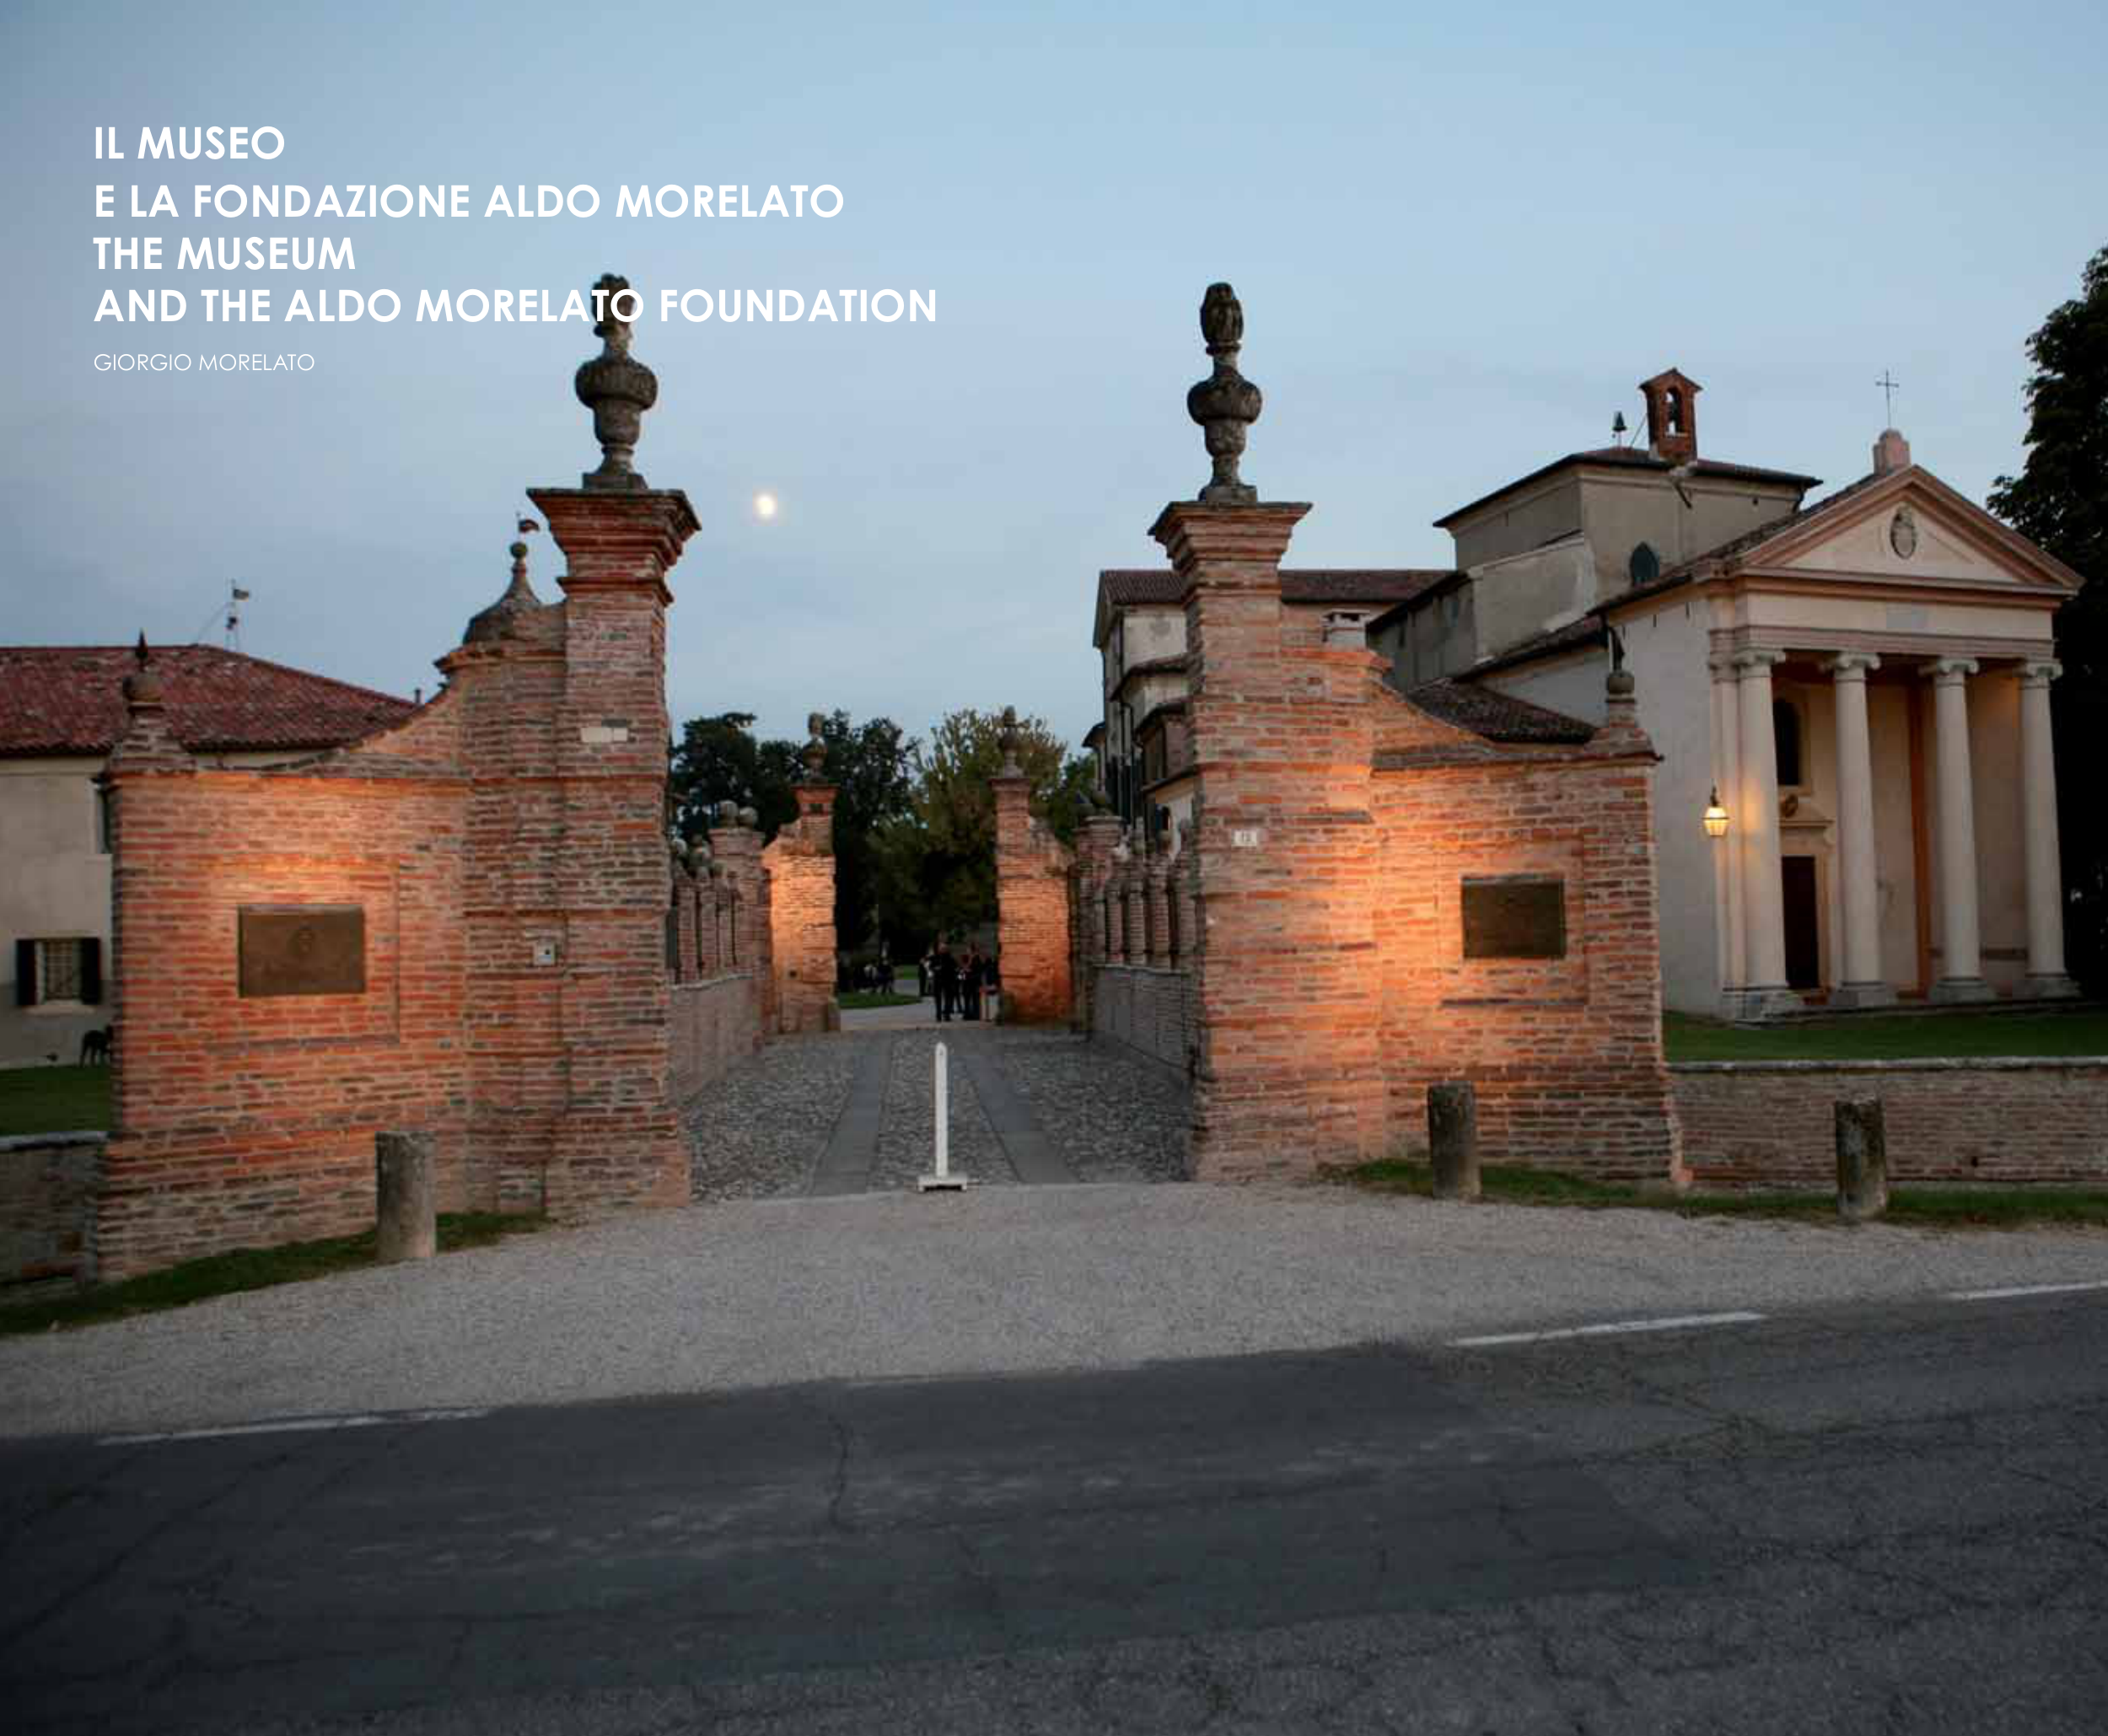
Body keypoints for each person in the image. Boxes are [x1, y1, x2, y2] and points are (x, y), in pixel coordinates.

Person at [932, 942, 959, 1022]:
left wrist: (945, 969)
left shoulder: (950, 957)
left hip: (948, 980)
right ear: (938, 949)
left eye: (944, 948)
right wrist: (935, 969)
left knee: (948, 997)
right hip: (938, 979)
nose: (943, 950)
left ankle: (947, 1015)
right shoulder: (935, 957)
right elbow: (931, 966)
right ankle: (938, 1014)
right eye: (942, 948)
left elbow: (955, 967)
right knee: (938, 998)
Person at [962, 947, 985, 1022]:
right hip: (967, 981)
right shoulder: (966, 957)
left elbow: (979, 969)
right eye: (967, 951)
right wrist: (966, 968)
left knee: (976, 998)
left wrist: (969, 969)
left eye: (968, 951)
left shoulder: (977, 959)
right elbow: (964, 968)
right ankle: (967, 1014)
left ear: (973, 952)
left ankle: (976, 1015)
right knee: (967, 998)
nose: (967, 952)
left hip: (975, 981)